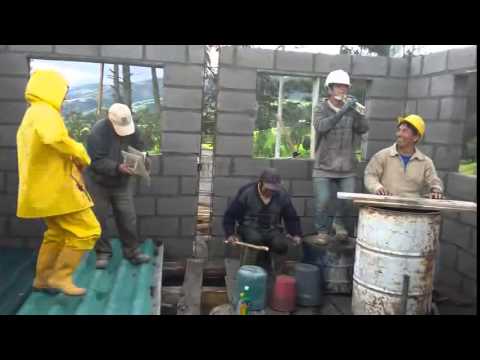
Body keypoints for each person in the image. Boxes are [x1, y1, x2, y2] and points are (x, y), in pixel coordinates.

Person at [17, 69, 101, 296]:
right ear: (51, 90)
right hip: (58, 190)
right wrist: (80, 152)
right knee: (88, 230)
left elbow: (48, 147)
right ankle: (60, 277)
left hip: (40, 191)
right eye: (62, 94)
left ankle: (42, 279)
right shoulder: (45, 112)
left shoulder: (32, 113)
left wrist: (70, 156)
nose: (63, 100)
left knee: (56, 233)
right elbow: (54, 138)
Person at [86, 103, 151, 269]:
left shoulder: (133, 129)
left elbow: (140, 148)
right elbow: (95, 161)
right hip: (99, 182)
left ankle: (132, 252)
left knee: (127, 217)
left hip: (121, 182)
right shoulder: (98, 132)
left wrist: (143, 160)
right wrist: (117, 167)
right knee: (99, 218)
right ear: (110, 119)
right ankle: (103, 253)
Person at [311, 69, 369, 245]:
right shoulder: (320, 108)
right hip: (323, 166)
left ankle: (339, 223)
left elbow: (363, 128)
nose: (342, 91)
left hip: (346, 167)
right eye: (338, 87)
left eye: (345, 87)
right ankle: (322, 231)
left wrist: (359, 113)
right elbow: (321, 127)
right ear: (330, 89)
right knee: (323, 201)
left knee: (347, 200)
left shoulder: (351, 110)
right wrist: (342, 111)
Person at [223, 168, 302, 275]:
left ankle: (277, 275)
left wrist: (296, 234)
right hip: (249, 227)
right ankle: (248, 273)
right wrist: (230, 234)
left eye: (274, 190)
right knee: (254, 240)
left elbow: (291, 217)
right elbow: (230, 215)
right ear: (260, 182)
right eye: (268, 189)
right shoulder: (247, 192)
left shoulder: (282, 195)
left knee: (281, 245)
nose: (270, 192)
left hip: (272, 229)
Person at [364, 114, 444, 199]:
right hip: (385, 204)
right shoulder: (382, 156)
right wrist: (377, 187)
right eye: (399, 130)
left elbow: (434, 181)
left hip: (411, 207)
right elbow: (370, 175)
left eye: (404, 131)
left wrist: (436, 190)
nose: (399, 134)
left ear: (416, 137)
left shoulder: (425, 162)